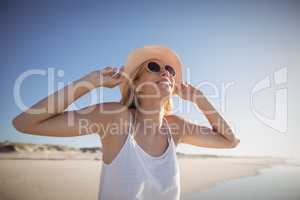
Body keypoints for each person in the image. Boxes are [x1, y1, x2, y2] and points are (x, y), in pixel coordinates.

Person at [12, 45, 240, 200]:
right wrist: (89, 82)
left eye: (170, 70)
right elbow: (25, 123)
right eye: (154, 67)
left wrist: (200, 100)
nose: (166, 73)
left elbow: (230, 141)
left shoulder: (175, 127)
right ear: (136, 82)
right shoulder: (116, 117)